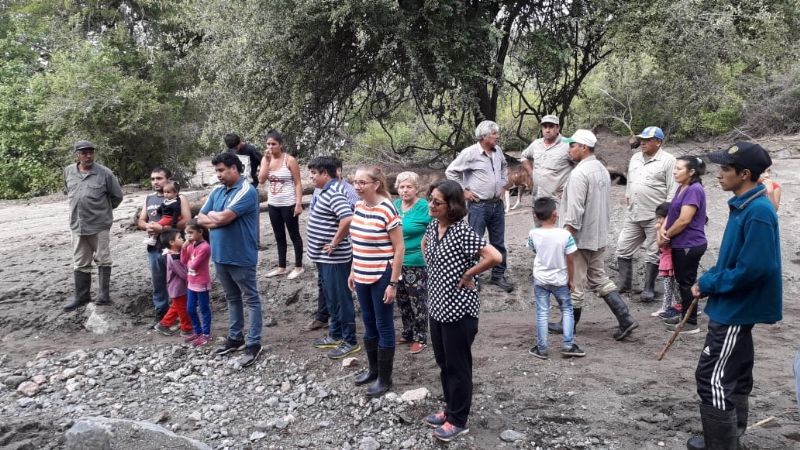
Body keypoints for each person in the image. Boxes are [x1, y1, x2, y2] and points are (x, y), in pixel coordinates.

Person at [687, 142, 782, 449]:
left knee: (710, 377)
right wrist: (708, 280)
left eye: (726, 169)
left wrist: (712, 284)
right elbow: (733, 259)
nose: (719, 174)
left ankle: (721, 444)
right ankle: (731, 438)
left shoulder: (758, 211)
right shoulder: (744, 205)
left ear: (744, 174)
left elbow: (755, 268)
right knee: (736, 371)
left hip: (736, 309)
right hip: (733, 304)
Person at [420, 180, 502, 443]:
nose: (431, 205)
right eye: (430, 199)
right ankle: (449, 409)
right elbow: (424, 245)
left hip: (459, 310)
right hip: (437, 306)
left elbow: (494, 256)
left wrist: (468, 274)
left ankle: (458, 420)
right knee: (444, 363)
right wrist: (433, 269)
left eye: (437, 202)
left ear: (452, 205)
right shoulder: (433, 226)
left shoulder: (462, 232)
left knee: (458, 366)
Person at [561, 129, 639, 341]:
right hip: (598, 235)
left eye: (572, 145)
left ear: (584, 147)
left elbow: (575, 211)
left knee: (575, 282)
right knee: (598, 277)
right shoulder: (602, 169)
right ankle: (625, 318)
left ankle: (569, 325)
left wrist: (566, 237)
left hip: (580, 237)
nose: (569, 149)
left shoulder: (579, 173)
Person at [198, 152, 263, 367]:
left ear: (234, 168)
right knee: (231, 298)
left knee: (251, 299)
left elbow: (225, 217)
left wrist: (217, 218)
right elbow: (200, 218)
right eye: (216, 171)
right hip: (220, 255)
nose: (218, 175)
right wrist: (217, 219)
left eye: (221, 170)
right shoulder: (217, 191)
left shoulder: (246, 190)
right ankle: (235, 338)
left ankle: (254, 343)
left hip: (241, 255)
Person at [348, 166, 404, 397]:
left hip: (382, 274)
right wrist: (353, 270)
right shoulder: (359, 206)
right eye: (355, 182)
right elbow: (357, 242)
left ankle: (385, 378)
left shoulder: (387, 209)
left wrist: (393, 283)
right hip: (361, 273)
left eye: (362, 183)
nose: (357, 187)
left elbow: (399, 248)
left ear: (376, 184)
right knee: (368, 322)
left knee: (384, 324)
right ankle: (373, 370)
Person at [445, 120, 514, 292]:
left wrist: (503, 184)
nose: (497, 137)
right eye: (494, 134)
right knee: (474, 243)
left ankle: (498, 275)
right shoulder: (470, 153)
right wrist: (464, 191)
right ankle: (473, 277)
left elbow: (504, 167)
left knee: (498, 241)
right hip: (478, 206)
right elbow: (451, 171)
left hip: (497, 204)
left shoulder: (498, 151)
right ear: (484, 136)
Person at [305, 157, 359, 360]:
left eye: (314, 173)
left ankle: (350, 340)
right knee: (331, 297)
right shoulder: (324, 191)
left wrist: (335, 242)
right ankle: (335, 334)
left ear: (325, 174)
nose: (311, 177)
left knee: (341, 299)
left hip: (335, 259)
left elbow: (347, 218)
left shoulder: (335, 192)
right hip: (323, 258)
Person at [616, 126, 676, 302]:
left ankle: (649, 288)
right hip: (634, 213)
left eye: (647, 140)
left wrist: (665, 217)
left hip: (654, 215)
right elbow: (630, 181)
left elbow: (673, 190)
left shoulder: (668, 161)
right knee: (623, 247)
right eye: (642, 139)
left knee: (653, 251)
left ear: (658, 142)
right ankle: (624, 285)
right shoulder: (635, 158)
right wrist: (628, 195)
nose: (642, 143)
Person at [63, 140, 124, 311]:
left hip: (99, 224)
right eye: (84, 153)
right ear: (77, 155)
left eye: (91, 152)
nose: (88, 156)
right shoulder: (68, 171)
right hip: (77, 224)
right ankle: (82, 296)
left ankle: (103, 296)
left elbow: (117, 196)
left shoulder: (105, 173)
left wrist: (103, 210)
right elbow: (69, 191)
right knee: (80, 261)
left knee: (103, 259)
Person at [527, 197, 584, 359]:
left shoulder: (533, 233)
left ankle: (542, 348)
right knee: (567, 309)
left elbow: (534, 250)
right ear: (555, 214)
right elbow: (570, 259)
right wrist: (571, 280)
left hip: (541, 279)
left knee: (542, 312)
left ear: (535, 216)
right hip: (560, 279)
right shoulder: (565, 235)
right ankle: (568, 345)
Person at [659, 156, 707, 334]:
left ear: (691, 171)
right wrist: (664, 229)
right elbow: (673, 212)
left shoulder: (694, 190)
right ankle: (685, 315)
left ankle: (690, 322)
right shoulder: (682, 187)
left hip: (689, 243)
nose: (674, 172)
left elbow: (684, 219)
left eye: (679, 169)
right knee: (683, 282)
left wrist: (667, 235)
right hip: (681, 242)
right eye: (675, 168)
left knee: (686, 283)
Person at [137, 167, 192, 325]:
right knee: (158, 281)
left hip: (175, 247)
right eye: (153, 179)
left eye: (159, 178)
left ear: (168, 179)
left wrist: (163, 228)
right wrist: (147, 226)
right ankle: (161, 312)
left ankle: (185, 313)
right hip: (154, 247)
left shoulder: (179, 197)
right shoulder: (149, 198)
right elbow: (141, 220)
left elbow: (187, 220)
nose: (155, 182)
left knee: (181, 280)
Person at [258, 129, 305, 280]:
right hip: (273, 204)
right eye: (268, 144)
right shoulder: (266, 159)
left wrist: (298, 203)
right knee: (279, 236)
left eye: (273, 144)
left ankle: (298, 266)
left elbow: (298, 183)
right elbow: (261, 180)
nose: (270, 147)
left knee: (294, 235)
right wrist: (266, 161)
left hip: (288, 203)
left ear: (280, 145)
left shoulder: (289, 160)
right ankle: (281, 267)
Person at [393, 171, 432, 354]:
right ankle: (408, 332)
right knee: (402, 300)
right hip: (397, 261)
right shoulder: (395, 205)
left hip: (417, 261)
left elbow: (435, 229)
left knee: (418, 301)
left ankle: (420, 337)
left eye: (409, 187)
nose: (405, 190)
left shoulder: (424, 206)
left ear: (417, 189)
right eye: (402, 187)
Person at [520, 114, 573, 204]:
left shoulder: (568, 143)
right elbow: (524, 156)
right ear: (541, 128)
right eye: (545, 127)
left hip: (557, 201)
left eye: (551, 126)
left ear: (558, 128)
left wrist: (570, 189)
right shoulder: (536, 144)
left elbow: (582, 165)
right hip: (538, 198)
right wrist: (531, 173)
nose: (547, 130)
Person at [152, 230, 193, 338]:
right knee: (183, 309)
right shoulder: (174, 257)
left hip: (178, 288)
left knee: (176, 307)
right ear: (171, 242)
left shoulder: (174, 254)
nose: (182, 239)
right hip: (178, 289)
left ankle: (163, 324)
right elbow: (183, 274)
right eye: (179, 238)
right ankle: (186, 329)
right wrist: (193, 278)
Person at [182, 219, 213, 347]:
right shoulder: (191, 245)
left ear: (200, 232)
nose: (188, 236)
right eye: (186, 233)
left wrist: (189, 263)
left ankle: (206, 334)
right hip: (191, 282)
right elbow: (184, 261)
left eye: (191, 232)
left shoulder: (205, 247)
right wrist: (184, 248)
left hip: (201, 283)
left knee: (204, 309)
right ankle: (197, 331)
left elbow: (193, 265)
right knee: (190, 309)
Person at [652, 202, 679, 319]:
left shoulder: (667, 231)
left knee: (670, 288)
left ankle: (667, 307)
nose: (658, 221)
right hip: (668, 261)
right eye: (657, 218)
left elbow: (660, 244)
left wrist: (658, 230)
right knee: (673, 287)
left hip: (670, 262)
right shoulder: (668, 229)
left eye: (660, 218)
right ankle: (672, 306)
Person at [144, 181, 182, 246]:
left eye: (168, 192)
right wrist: (156, 211)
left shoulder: (175, 203)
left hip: (169, 218)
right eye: (165, 192)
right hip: (165, 217)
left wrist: (173, 225)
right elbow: (161, 207)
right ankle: (152, 238)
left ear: (175, 193)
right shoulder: (166, 200)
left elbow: (176, 214)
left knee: (155, 225)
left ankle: (153, 239)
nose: (166, 194)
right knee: (153, 224)